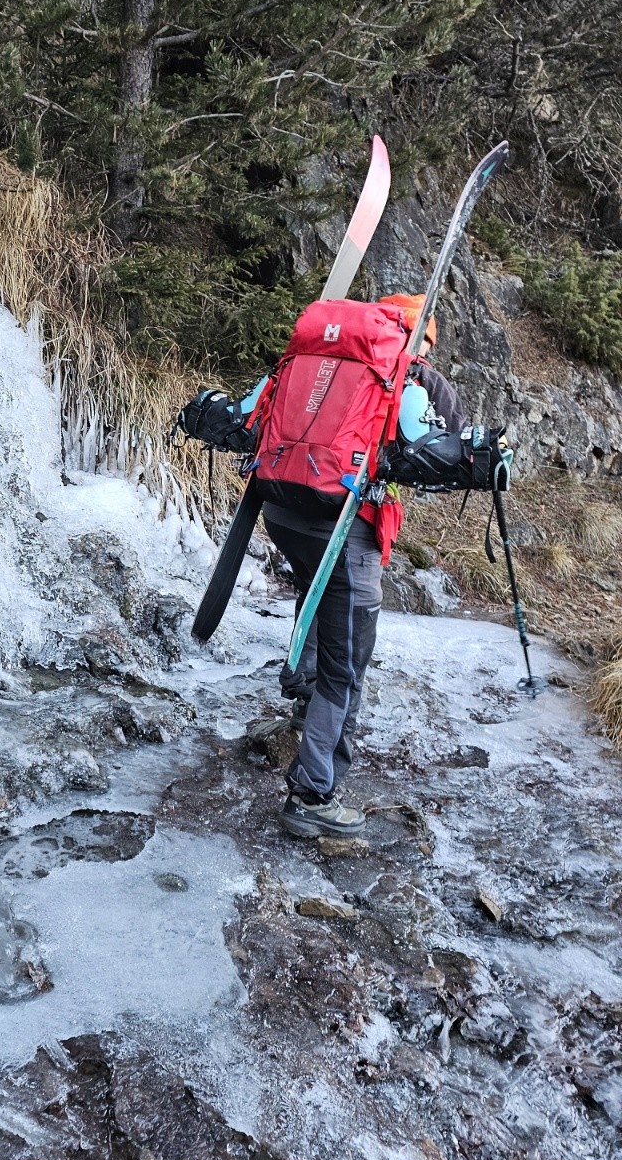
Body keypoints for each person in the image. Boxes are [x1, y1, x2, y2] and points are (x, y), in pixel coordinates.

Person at [180, 292, 506, 840]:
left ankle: (303, 698)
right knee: (346, 668)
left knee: (315, 590)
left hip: (284, 513)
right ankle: (313, 793)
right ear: (415, 337)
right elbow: (437, 453)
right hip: (346, 527)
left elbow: (239, 422)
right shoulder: (405, 381)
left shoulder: (305, 367)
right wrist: (486, 458)